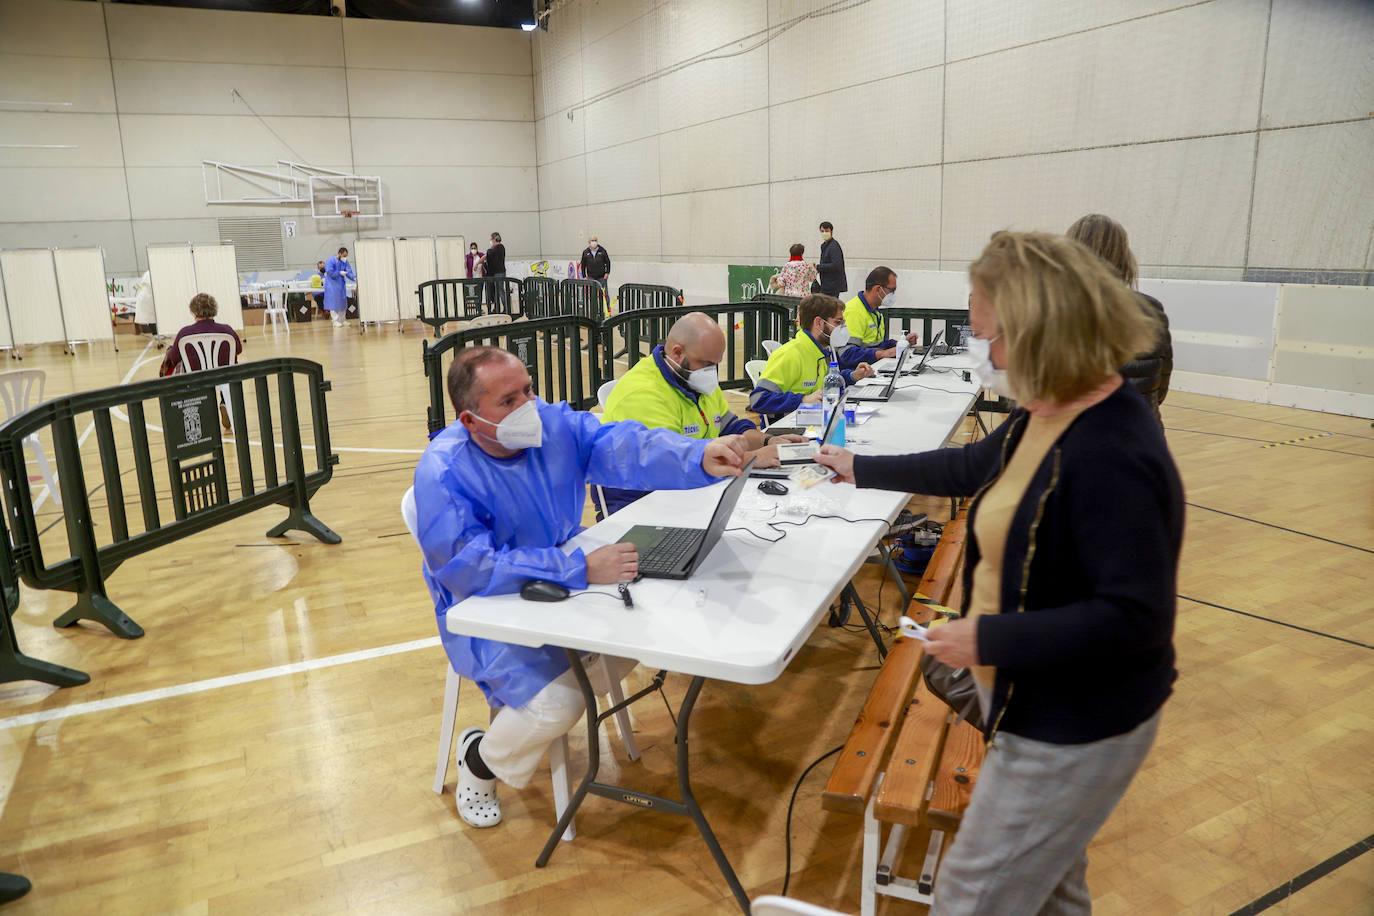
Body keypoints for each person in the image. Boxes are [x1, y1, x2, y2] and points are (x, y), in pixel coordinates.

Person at [816, 231, 1181, 916]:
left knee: (971, 897)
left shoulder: (1113, 448)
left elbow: (1134, 619)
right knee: (1051, 894)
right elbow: (967, 468)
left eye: (988, 335)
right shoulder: (1052, 412)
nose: (983, 351)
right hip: (1032, 696)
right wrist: (859, 468)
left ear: (1037, 332)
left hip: (1072, 720)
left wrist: (988, 641)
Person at [413, 347, 747, 828]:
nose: (528, 407)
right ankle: (479, 761)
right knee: (557, 705)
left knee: (642, 641)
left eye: (528, 389)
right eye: (508, 401)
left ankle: (517, 721)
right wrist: (576, 568)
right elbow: (470, 568)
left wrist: (696, 455)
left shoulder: (553, 426)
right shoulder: (444, 471)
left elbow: (622, 445)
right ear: (470, 419)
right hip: (488, 603)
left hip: (564, 582)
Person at [599, 312, 807, 515]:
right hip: (641, 506)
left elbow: (731, 428)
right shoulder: (643, 394)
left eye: (715, 364)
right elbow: (672, 465)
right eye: (706, 364)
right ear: (677, 352)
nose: (710, 372)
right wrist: (750, 459)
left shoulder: (694, 379)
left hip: (691, 490)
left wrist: (768, 442)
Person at [1067, 214, 1173, 420]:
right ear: (1123, 256)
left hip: (1078, 440)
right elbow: (1159, 389)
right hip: (1141, 436)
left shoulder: (1052, 312)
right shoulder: (1152, 310)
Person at [748, 293, 875, 423]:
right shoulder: (790, 354)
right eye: (838, 322)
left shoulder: (821, 350)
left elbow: (826, 383)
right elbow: (758, 399)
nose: (843, 328)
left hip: (814, 421)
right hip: (789, 430)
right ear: (819, 323)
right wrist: (803, 400)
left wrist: (853, 376)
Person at [159, 292, 243, 432]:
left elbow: (174, 358)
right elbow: (238, 350)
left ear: (193, 311)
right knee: (226, 369)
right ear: (214, 309)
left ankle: (202, 415)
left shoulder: (185, 333)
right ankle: (224, 401)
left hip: (197, 380)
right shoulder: (227, 330)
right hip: (225, 378)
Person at [843, 266, 921, 358]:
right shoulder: (854, 311)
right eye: (892, 290)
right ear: (878, 289)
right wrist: (883, 354)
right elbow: (847, 354)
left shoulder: (876, 311)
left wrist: (901, 343)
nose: (893, 295)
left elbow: (878, 344)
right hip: (859, 369)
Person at [324, 247, 356, 326]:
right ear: (339, 254)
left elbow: (348, 271)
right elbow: (329, 271)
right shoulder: (330, 260)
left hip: (341, 285)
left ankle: (342, 320)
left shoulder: (344, 262)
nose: (345, 258)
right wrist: (339, 273)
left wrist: (354, 277)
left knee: (342, 302)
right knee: (333, 303)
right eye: (344, 256)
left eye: (346, 256)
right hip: (332, 285)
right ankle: (335, 320)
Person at [815, 221, 846, 297]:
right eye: (822, 231)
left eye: (827, 231)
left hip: (832, 285)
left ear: (831, 231)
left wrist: (818, 267)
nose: (824, 233)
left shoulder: (834, 246)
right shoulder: (825, 245)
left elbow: (836, 265)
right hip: (826, 284)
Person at [485, 232, 507, 310]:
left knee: (500, 290)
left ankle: (506, 307)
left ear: (494, 239)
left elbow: (490, 255)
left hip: (499, 272)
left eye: (491, 239)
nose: (491, 240)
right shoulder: (497, 248)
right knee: (497, 291)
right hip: (497, 272)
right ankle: (496, 308)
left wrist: (490, 249)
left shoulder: (499, 247)